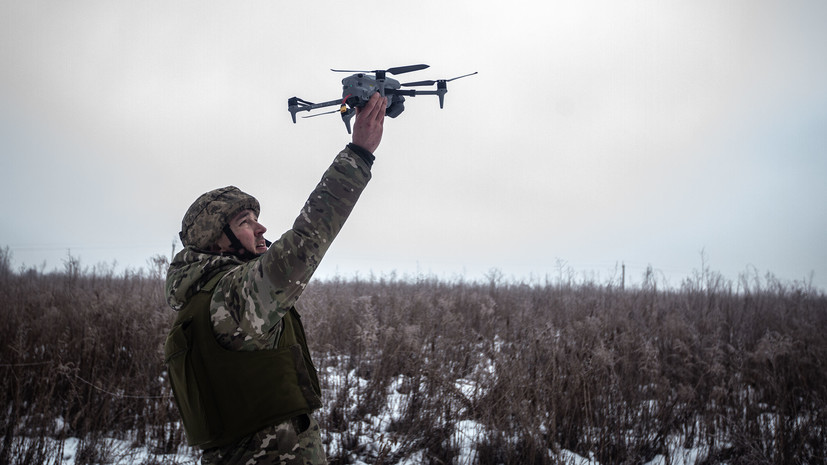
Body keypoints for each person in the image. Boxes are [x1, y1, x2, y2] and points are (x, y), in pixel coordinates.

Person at [164, 93, 388, 464]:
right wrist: (359, 154)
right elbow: (305, 241)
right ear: (217, 241)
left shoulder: (201, 301)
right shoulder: (231, 299)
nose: (261, 228)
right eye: (245, 222)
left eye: (256, 218)